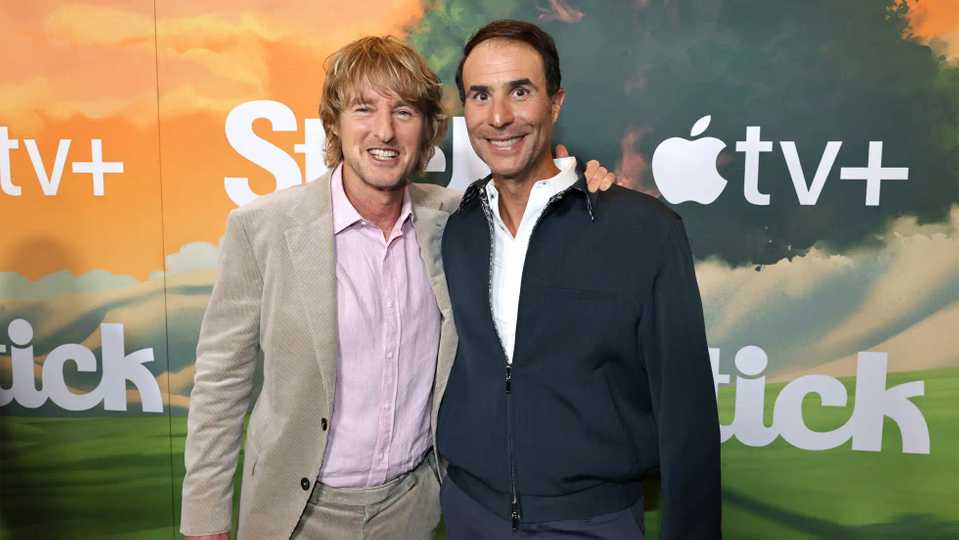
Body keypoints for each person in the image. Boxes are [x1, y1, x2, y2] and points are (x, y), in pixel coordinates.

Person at [179, 35, 615, 540]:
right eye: (363, 109)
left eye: (404, 112)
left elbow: (537, 207)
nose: (384, 130)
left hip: (414, 509)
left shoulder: (459, 219)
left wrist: (596, 195)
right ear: (334, 125)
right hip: (296, 513)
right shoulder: (263, 229)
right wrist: (204, 519)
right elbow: (221, 384)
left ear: (428, 130)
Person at [438, 20, 722, 539]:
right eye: (481, 96)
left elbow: (687, 414)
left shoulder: (643, 230)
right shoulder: (457, 229)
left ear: (555, 102)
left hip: (593, 522)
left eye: (519, 91)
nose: (499, 117)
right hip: (470, 513)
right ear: (466, 110)